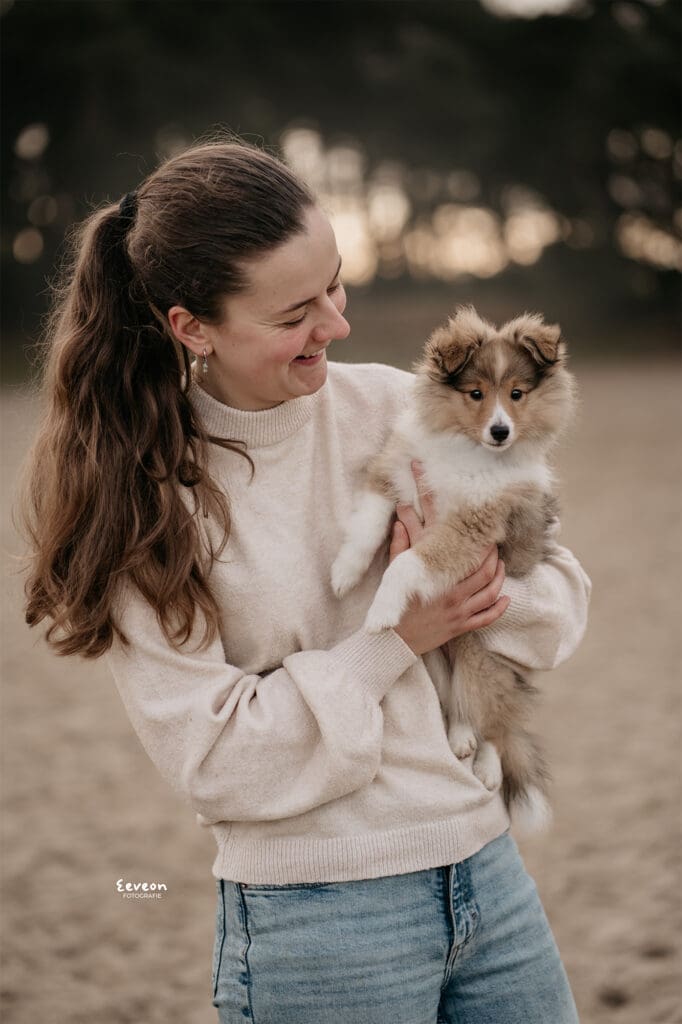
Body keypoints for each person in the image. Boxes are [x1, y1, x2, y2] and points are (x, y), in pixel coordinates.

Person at [21, 138, 591, 1024]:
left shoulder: (401, 407)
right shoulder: (146, 498)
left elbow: (558, 601)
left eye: (336, 285)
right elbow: (216, 761)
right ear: (194, 328)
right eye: (295, 313)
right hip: (316, 922)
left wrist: (479, 594)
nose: (336, 324)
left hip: (491, 873)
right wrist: (396, 639)